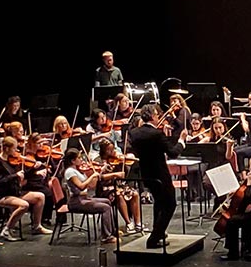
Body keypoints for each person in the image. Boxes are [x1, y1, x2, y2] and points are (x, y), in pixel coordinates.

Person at [128, 104, 188, 248]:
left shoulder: (134, 133)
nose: (158, 117)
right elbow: (173, 152)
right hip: (160, 174)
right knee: (170, 204)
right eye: (157, 114)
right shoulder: (156, 134)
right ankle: (154, 238)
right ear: (153, 116)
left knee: (159, 202)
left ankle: (159, 232)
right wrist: (181, 140)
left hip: (146, 173)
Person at [0, 136, 49, 241]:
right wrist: (15, 176)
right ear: (7, 148)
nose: (17, 151)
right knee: (24, 205)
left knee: (40, 196)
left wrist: (33, 169)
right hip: (3, 195)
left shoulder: (12, 160)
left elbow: (23, 175)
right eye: (14, 148)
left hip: (15, 192)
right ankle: (7, 230)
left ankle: (37, 226)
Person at [62, 147, 117, 243]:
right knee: (105, 208)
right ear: (73, 161)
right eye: (79, 158)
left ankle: (112, 231)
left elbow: (91, 186)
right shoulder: (70, 172)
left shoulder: (78, 170)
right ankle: (106, 237)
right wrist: (91, 176)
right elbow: (81, 186)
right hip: (76, 202)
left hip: (84, 198)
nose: (82, 160)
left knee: (107, 201)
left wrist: (97, 174)